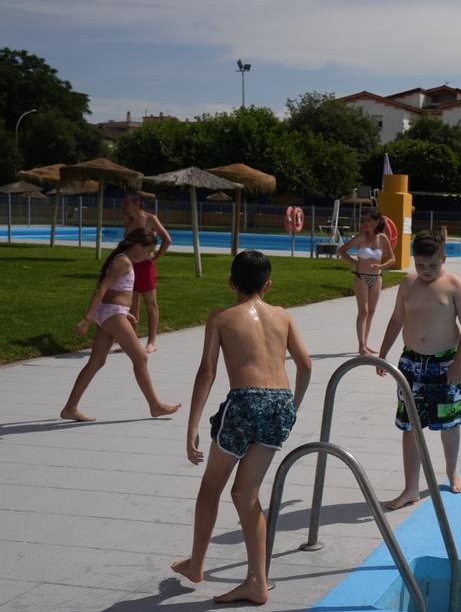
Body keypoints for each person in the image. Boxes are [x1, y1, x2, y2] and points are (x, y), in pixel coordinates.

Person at [170, 250, 312, 605]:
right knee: (245, 495)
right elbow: (306, 366)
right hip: (278, 405)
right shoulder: (283, 316)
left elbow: (207, 372)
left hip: (245, 403)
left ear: (231, 283)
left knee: (211, 487)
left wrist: (192, 427)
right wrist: (292, 407)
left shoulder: (221, 318)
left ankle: (197, 564)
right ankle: (257, 582)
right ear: (268, 285)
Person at [376, 230, 461, 508]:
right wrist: (383, 354)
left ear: (443, 258)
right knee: (411, 425)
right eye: (420, 265)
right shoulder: (408, 284)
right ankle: (410, 488)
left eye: (432, 265)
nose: (426, 270)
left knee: (449, 421)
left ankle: (452, 470)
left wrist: (459, 362)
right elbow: (397, 320)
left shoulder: (454, 285)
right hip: (411, 363)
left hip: (445, 364)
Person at [61, 228, 181, 422]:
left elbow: (114, 293)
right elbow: (101, 288)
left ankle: (70, 408)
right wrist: (87, 319)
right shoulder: (123, 261)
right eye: (148, 250)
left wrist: (125, 314)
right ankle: (155, 406)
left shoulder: (123, 260)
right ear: (138, 246)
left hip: (113, 313)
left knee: (96, 361)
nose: (150, 255)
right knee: (140, 358)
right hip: (112, 314)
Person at [337, 208, 396, 355]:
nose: (366, 222)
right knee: (363, 310)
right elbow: (342, 251)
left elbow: (392, 258)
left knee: (371, 311)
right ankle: (361, 345)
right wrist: (354, 262)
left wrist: (381, 266)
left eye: (369, 219)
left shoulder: (383, 238)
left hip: (376, 278)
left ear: (377, 222)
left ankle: (365, 343)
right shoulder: (360, 237)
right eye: (365, 219)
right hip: (361, 276)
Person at [123, 192, 172, 353]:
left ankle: (152, 342)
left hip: (145, 267)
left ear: (137, 204)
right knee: (132, 305)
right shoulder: (128, 222)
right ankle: (133, 339)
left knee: (151, 305)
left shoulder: (150, 219)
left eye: (127, 203)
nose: (125, 207)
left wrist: (155, 258)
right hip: (130, 267)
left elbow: (167, 239)